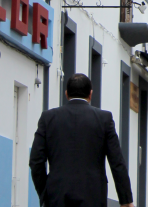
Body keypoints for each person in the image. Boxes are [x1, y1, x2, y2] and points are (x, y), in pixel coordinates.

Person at [30, 74, 133, 207]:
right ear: (90, 95)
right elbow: (117, 163)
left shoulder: (48, 118)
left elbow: (36, 161)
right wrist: (126, 200)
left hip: (57, 197)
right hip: (93, 197)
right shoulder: (104, 119)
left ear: (66, 94)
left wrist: (45, 193)